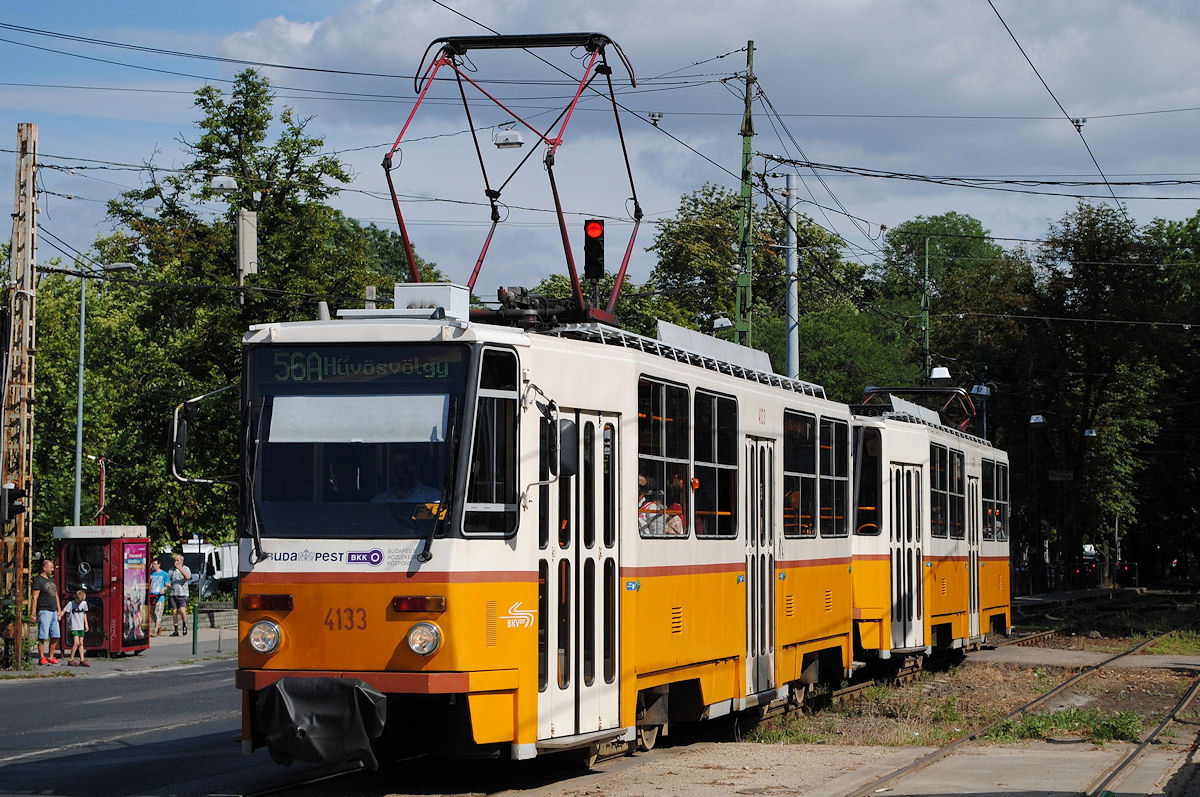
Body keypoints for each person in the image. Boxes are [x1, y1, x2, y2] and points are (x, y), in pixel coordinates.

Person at [372, 451, 442, 504]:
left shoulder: (432, 497)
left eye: (406, 464)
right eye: (396, 465)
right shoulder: (379, 501)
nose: (400, 470)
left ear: (417, 468)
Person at [30, 558, 61, 666]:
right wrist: (33, 613)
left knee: (56, 635)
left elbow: (55, 594)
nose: (52, 569)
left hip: (53, 611)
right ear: (44, 568)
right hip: (44, 610)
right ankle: (42, 657)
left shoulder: (52, 580)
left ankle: (51, 656)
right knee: (43, 635)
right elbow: (35, 598)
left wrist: (59, 609)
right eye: (51, 567)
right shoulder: (38, 580)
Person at [63, 589, 90, 667]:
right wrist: (60, 614)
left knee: (81, 643)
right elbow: (64, 610)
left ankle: (82, 659)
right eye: (79, 601)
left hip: (81, 625)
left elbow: (84, 613)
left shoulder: (84, 603)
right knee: (76, 643)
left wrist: (86, 624)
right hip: (74, 625)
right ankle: (71, 659)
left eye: (81, 601)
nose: (80, 603)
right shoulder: (71, 604)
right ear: (76, 598)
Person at [167, 554, 191, 637]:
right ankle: (176, 630)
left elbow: (187, 577)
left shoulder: (186, 568)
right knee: (174, 612)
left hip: (182, 593)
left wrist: (180, 569)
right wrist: (167, 584)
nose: (175, 562)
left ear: (181, 561)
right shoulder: (171, 570)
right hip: (173, 593)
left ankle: (184, 626)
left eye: (177, 560)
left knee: (182, 611)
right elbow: (168, 580)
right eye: (175, 560)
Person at [148, 559, 169, 636]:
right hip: (152, 595)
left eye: (155, 564)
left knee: (158, 613)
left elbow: (168, 584)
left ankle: (155, 630)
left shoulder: (164, 574)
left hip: (160, 597)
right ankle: (159, 627)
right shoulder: (151, 574)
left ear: (159, 564)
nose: (154, 566)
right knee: (152, 613)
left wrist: (163, 589)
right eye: (153, 564)